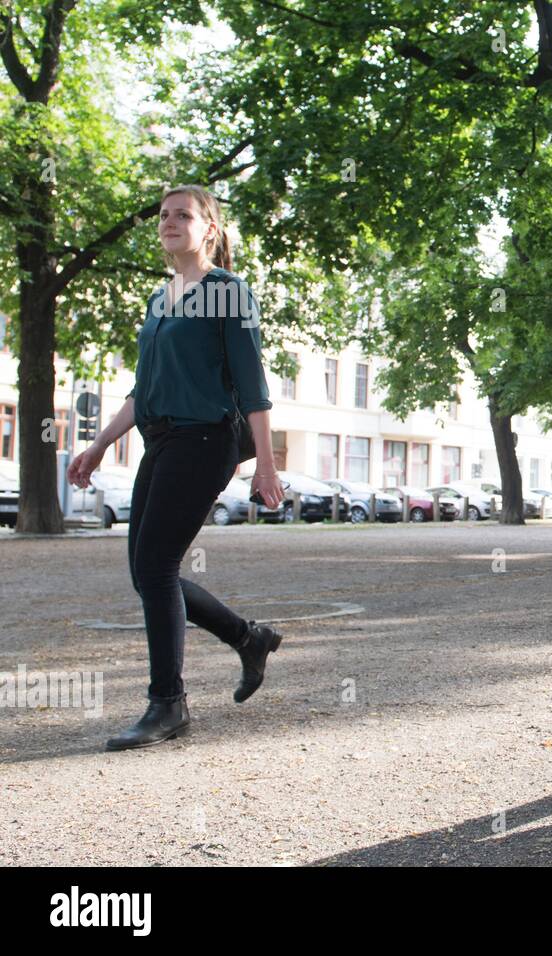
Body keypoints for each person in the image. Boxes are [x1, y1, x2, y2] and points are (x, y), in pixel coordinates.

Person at [67, 184, 286, 751]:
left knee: (156, 567)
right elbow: (143, 391)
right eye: (163, 215)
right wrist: (97, 445)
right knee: (147, 572)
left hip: (205, 440)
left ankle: (168, 703)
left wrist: (266, 465)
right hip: (160, 441)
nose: (169, 222)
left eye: (182, 215)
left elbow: (253, 387)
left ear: (208, 228)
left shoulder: (226, 291)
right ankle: (248, 637)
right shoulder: (160, 299)